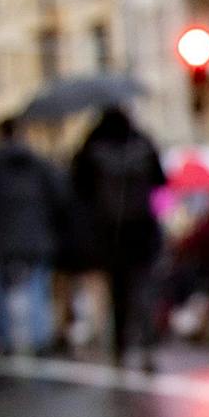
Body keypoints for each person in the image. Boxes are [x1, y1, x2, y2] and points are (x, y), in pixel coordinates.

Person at [68, 105, 166, 365]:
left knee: (117, 292)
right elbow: (161, 183)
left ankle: (121, 347)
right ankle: (146, 344)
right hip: (143, 230)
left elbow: (78, 189)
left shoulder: (93, 148)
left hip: (109, 233)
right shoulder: (142, 144)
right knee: (143, 289)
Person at [0, 118, 67, 355]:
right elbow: (60, 198)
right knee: (37, 288)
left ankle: (6, 340)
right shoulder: (39, 164)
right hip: (36, 238)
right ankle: (40, 338)